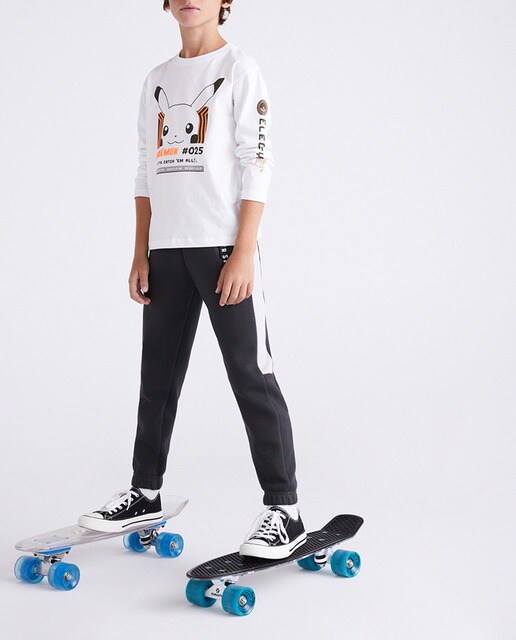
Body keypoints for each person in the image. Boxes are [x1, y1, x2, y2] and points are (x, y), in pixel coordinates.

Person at [79, 0, 306, 560]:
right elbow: (145, 169)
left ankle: (285, 510)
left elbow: (257, 161)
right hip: (166, 251)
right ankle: (144, 492)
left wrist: (244, 252)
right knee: (156, 380)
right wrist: (141, 251)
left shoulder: (239, 68)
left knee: (251, 375)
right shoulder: (157, 79)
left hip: (223, 248)